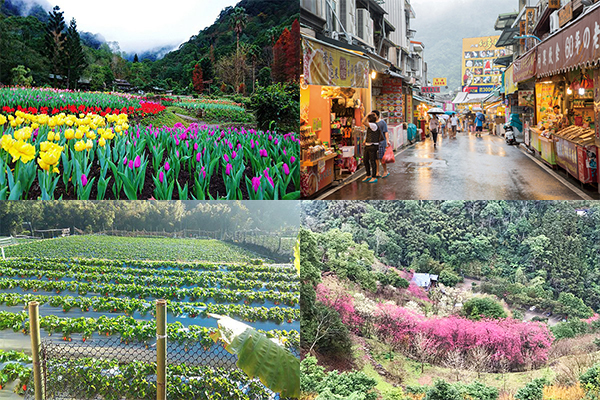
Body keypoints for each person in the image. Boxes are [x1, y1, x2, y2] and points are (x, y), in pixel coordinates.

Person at [361, 112, 384, 183]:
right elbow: (369, 134)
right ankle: (368, 175)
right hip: (368, 145)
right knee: (365, 160)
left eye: (368, 118)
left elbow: (363, 122)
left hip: (373, 146)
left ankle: (374, 176)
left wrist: (366, 114)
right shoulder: (371, 125)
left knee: (372, 161)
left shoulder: (373, 125)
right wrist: (365, 140)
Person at [373, 110, 391, 179]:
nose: (373, 116)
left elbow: (386, 132)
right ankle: (377, 172)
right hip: (374, 142)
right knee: (376, 158)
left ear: (377, 115)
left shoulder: (382, 122)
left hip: (381, 142)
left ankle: (385, 171)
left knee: (381, 157)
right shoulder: (372, 123)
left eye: (374, 115)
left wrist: (387, 141)